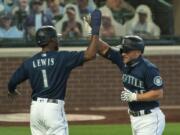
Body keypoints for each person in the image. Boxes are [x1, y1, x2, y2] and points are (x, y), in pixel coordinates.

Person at [8, 9, 102, 135]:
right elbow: (91, 54)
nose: (58, 40)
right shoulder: (62, 57)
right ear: (51, 40)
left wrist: (12, 90)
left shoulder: (29, 62)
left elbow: (12, 82)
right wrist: (95, 30)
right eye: (55, 38)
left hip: (35, 110)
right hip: (53, 109)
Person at [97, 35, 165, 135]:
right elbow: (103, 49)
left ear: (137, 52)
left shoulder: (149, 69)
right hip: (134, 118)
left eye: (126, 50)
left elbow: (158, 93)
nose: (123, 53)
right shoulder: (124, 61)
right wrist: (93, 31)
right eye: (122, 49)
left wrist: (135, 96)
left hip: (150, 119)